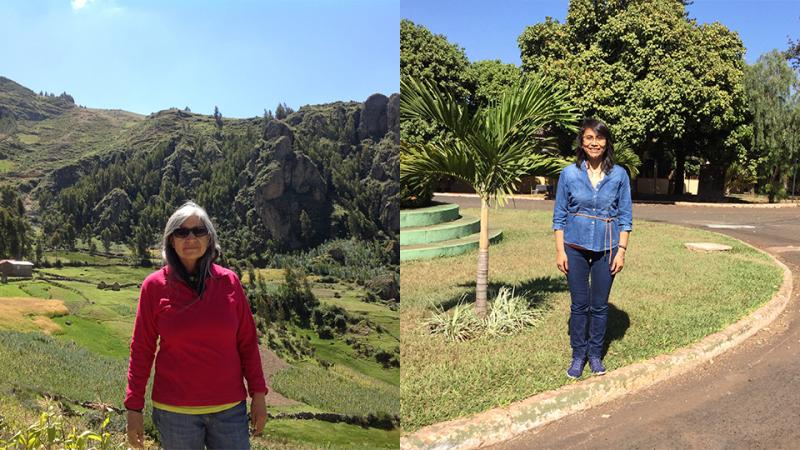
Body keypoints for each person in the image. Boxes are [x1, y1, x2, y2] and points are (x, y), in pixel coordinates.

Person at [124, 201, 268, 449]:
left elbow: (247, 342)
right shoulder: (154, 286)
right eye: (181, 232)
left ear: (209, 238)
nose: (190, 238)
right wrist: (133, 407)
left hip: (230, 411)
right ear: (171, 240)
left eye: (199, 231)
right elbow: (142, 350)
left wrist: (258, 394)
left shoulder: (229, 282)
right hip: (175, 413)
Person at [552, 118, 633, 379]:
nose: (594, 143)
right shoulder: (569, 174)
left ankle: (595, 354)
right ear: (582, 142)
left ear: (606, 142)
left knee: (599, 305)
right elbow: (559, 214)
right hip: (574, 246)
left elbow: (625, 216)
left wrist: (621, 250)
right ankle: (578, 355)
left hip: (607, 248)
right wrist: (560, 250)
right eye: (589, 138)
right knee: (579, 304)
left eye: (598, 138)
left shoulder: (619, 175)